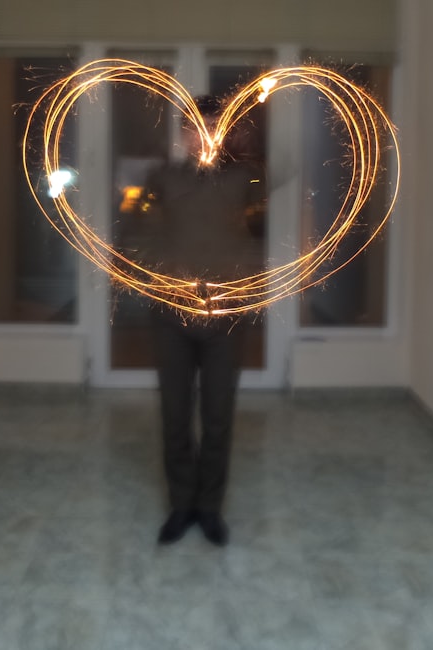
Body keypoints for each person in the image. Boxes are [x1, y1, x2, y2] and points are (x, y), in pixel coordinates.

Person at [140, 95, 265, 547]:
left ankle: (209, 508)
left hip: (225, 317)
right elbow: (141, 233)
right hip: (171, 314)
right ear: (183, 134)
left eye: (216, 127)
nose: (206, 136)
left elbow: (264, 220)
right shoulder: (163, 177)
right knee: (174, 416)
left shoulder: (242, 178)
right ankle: (180, 505)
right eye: (197, 127)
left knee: (218, 417)